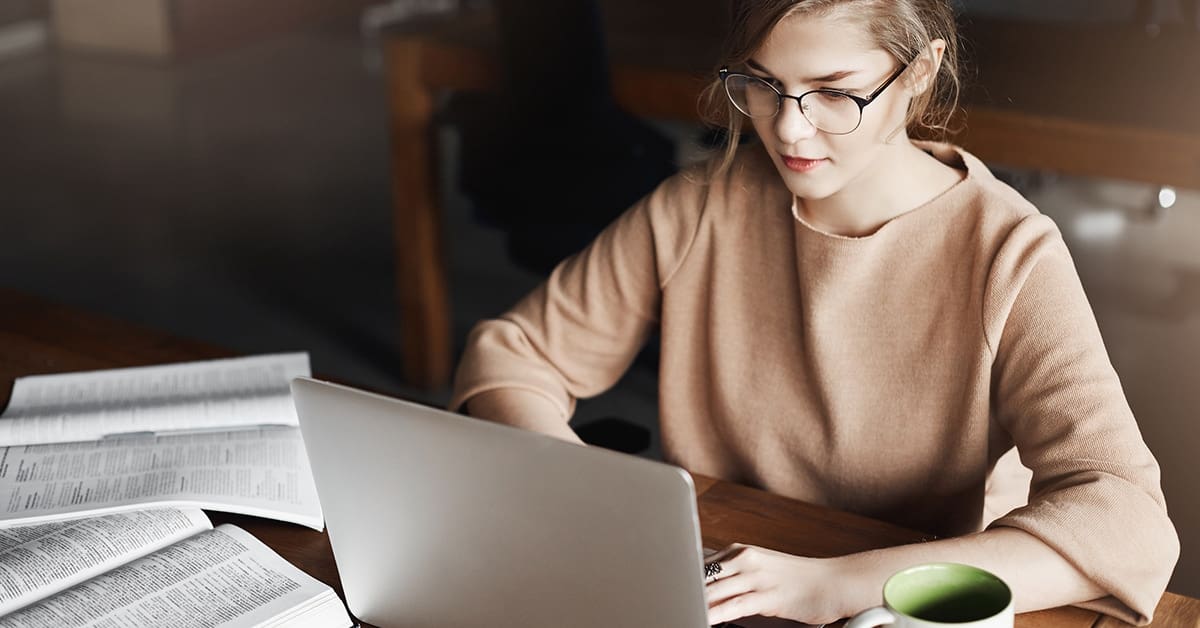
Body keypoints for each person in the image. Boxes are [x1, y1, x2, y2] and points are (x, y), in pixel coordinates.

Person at [449, 0, 1180, 625]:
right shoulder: (700, 207)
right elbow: (512, 356)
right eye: (765, 86)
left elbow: (1129, 523)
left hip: (901, 605)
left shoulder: (1009, 253)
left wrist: (831, 585)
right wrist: (589, 495)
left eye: (835, 92)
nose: (790, 131)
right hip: (722, 584)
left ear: (919, 72)